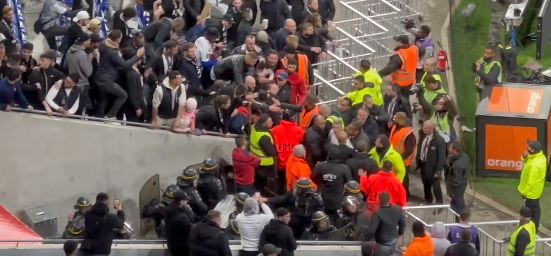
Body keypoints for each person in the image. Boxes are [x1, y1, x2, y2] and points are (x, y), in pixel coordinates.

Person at [95, 30, 144, 120]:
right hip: (107, 80)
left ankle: (99, 118)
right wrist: (137, 56)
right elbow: (125, 65)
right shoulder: (112, 52)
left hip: (100, 77)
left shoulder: (104, 45)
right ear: (118, 39)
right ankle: (110, 116)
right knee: (123, 95)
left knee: (103, 99)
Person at [313, 147, 353, 224]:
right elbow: (349, 183)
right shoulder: (344, 168)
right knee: (338, 221)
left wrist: (323, 180)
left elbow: (314, 177)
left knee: (323, 221)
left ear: (329, 156)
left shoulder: (320, 165)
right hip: (338, 200)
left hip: (323, 199)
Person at [378, 35, 419, 104]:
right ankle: (406, 111)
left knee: (396, 99)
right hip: (410, 80)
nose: (395, 43)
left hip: (400, 83)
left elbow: (390, 68)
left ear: (400, 42)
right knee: (405, 98)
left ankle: (396, 111)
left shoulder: (399, 55)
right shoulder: (414, 48)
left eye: (396, 41)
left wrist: (378, 73)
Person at [518, 140, 547, 231]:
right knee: (535, 210)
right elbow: (528, 159)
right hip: (535, 191)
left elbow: (531, 182)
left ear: (533, 150)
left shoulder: (535, 165)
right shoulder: (540, 157)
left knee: (530, 212)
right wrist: (524, 157)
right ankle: (534, 227)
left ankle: (530, 230)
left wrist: (524, 193)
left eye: (529, 147)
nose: (527, 147)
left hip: (530, 193)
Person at [272, 114, 305, 192]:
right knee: (292, 183)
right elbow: (303, 139)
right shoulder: (299, 130)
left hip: (280, 162)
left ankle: (279, 195)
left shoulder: (274, 130)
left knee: (281, 181)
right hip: (293, 163)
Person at [416, 120, 446, 205]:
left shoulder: (439, 140)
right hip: (423, 164)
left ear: (430, 129)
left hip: (433, 167)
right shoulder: (423, 136)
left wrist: (438, 170)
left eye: (425, 128)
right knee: (425, 183)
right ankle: (428, 200)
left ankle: (439, 203)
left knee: (435, 185)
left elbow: (441, 157)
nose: (423, 129)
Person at [64, 34, 93, 114]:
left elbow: (65, 65)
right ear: (84, 42)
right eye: (89, 40)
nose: (90, 42)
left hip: (71, 84)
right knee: (81, 108)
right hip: (82, 85)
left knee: (72, 106)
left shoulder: (69, 50)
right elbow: (88, 72)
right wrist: (89, 59)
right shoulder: (82, 54)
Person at [389, 112, 416, 196]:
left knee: (403, 178)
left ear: (400, 120)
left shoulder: (408, 132)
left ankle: (405, 195)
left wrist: (400, 159)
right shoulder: (394, 127)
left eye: (395, 119)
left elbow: (409, 149)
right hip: (394, 158)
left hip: (403, 160)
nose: (393, 120)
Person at [249, 114, 278, 195]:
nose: (272, 122)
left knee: (257, 179)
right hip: (264, 162)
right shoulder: (263, 137)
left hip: (254, 158)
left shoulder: (254, 127)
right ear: (264, 124)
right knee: (261, 181)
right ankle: (260, 194)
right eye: (270, 122)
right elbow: (272, 152)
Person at [165, 190, 194, 256]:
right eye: (186, 200)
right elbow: (191, 230)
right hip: (182, 248)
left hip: (171, 244)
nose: (187, 202)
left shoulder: (169, 209)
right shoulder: (181, 218)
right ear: (181, 202)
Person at [445, 142, 470, 217]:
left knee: (458, 208)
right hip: (462, 186)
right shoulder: (464, 156)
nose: (449, 148)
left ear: (455, 150)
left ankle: (461, 222)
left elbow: (456, 181)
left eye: (450, 147)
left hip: (456, 191)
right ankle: (461, 220)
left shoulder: (457, 166)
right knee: (459, 204)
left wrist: (450, 195)